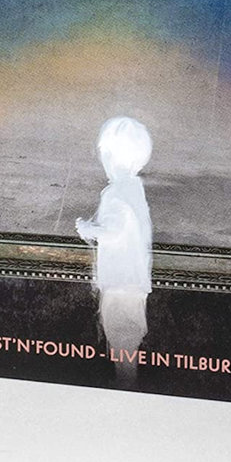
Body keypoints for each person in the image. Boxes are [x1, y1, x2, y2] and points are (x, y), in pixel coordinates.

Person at [75, 116, 154, 372]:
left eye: (104, 154)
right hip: (135, 280)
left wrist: (89, 229)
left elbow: (114, 231)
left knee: (119, 337)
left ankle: (125, 383)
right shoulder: (135, 188)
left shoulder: (116, 192)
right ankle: (128, 379)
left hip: (119, 281)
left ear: (111, 156)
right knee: (129, 339)